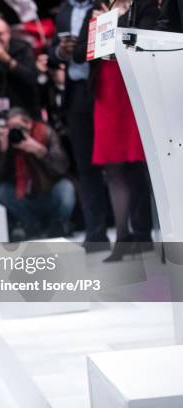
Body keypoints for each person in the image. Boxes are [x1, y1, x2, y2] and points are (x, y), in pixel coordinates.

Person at [74, 0, 158, 261]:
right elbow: (80, 54)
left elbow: (144, 42)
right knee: (113, 166)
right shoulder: (95, 9)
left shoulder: (144, 6)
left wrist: (113, 22)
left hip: (133, 89)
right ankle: (122, 237)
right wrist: (96, 26)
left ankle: (143, 235)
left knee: (138, 163)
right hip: (106, 93)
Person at [50, 0, 111, 251]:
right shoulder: (63, 10)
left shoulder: (103, 4)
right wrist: (61, 51)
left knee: (118, 167)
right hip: (76, 93)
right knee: (85, 167)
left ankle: (131, 233)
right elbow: (54, 51)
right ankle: (95, 233)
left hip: (105, 88)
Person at [0, 108, 75, 239]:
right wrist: (3, 151)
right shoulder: (9, 143)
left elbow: (62, 168)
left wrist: (40, 151)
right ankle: (32, 225)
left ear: (29, 123)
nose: (16, 132)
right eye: (11, 128)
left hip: (49, 194)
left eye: (18, 127)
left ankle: (58, 225)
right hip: (26, 199)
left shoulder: (46, 133)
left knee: (66, 187)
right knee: (1, 190)